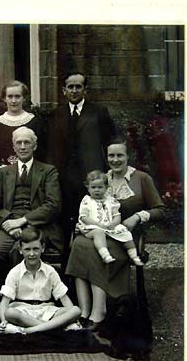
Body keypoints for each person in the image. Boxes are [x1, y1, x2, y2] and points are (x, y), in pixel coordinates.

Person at [66, 139, 166, 330]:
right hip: (100, 232)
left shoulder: (141, 178)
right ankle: (84, 310)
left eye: (120, 155)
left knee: (91, 249)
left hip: (125, 236)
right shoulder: (103, 179)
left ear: (128, 156)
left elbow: (160, 210)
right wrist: (83, 224)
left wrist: (138, 216)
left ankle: (99, 310)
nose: (115, 159)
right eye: (111, 155)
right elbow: (90, 208)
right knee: (79, 244)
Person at [0, 126, 63, 312]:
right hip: (9, 224)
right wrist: (8, 224)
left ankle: (29, 304)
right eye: (18, 142)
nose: (22, 146)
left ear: (34, 145)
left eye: (27, 142)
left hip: (37, 224)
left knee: (18, 253)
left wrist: (23, 221)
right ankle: (3, 303)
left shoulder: (48, 171)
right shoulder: (4, 173)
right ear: (13, 146)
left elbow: (53, 205)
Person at [47, 72, 116, 251]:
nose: (75, 90)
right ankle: (66, 272)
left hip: (91, 179)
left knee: (91, 221)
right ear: (64, 90)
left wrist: (106, 171)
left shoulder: (98, 112)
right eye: (71, 87)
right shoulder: (56, 114)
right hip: (64, 179)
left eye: (79, 86)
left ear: (85, 89)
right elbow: (51, 148)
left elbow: (110, 141)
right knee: (66, 225)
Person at [0, 227, 81, 334]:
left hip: (46, 310)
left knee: (75, 310)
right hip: (23, 312)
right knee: (9, 312)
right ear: (20, 250)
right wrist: (3, 321)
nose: (31, 254)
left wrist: (72, 316)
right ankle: (52, 328)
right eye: (27, 249)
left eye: (35, 249)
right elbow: (4, 302)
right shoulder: (14, 272)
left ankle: (27, 330)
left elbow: (63, 298)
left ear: (42, 248)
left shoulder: (50, 271)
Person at [77, 170, 144, 266]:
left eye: (100, 187)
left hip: (109, 226)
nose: (96, 190)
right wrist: (98, 224)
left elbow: (117, 215)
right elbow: (84, 217)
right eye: (93, 187)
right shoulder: (87, 201)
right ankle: (105, 255)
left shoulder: (111, 201)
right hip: (92, 227)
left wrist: (114, 224)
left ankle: (134, 256)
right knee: (98, 233)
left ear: (106, 188)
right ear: (88, 188)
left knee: (124, 231)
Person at [0, 80, 42, 186]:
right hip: (2, 178)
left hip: (30, 178)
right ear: (4, 98)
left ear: (24, 98)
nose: (13, 100)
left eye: (17, 96)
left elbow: (42, 151)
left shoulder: (35, 122)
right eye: (10, 96)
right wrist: (0, 167)